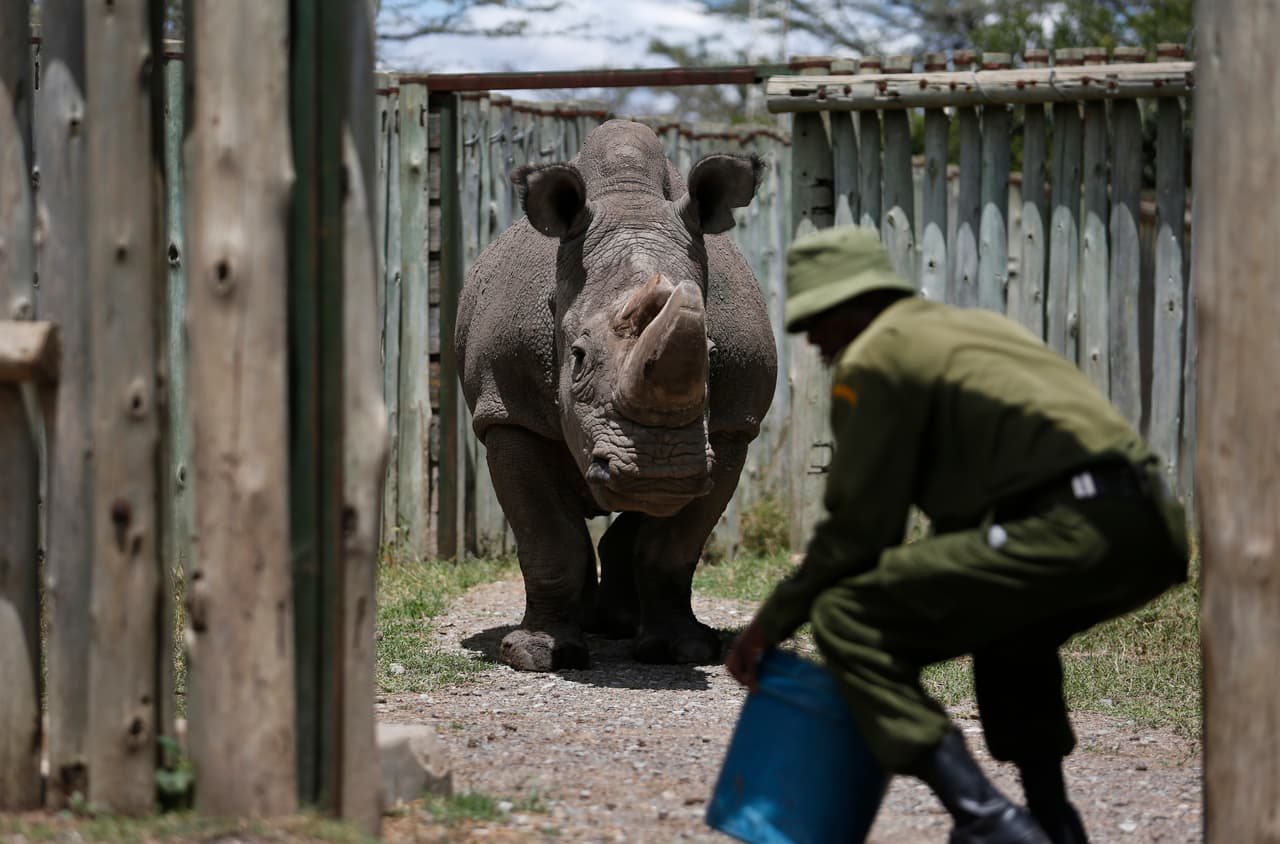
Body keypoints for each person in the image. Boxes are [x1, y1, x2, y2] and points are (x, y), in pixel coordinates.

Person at [726, 226, 1189, 844]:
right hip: (1150, 524)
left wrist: (769, 624)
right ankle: (1053, 823)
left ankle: (986, 819)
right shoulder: (973, 330)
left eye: (818, 319)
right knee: (1006, 624)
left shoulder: (876, 357)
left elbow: (861, 533)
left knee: (847, 615)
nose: (812, 338)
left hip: (1072, 522)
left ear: (856, 306)